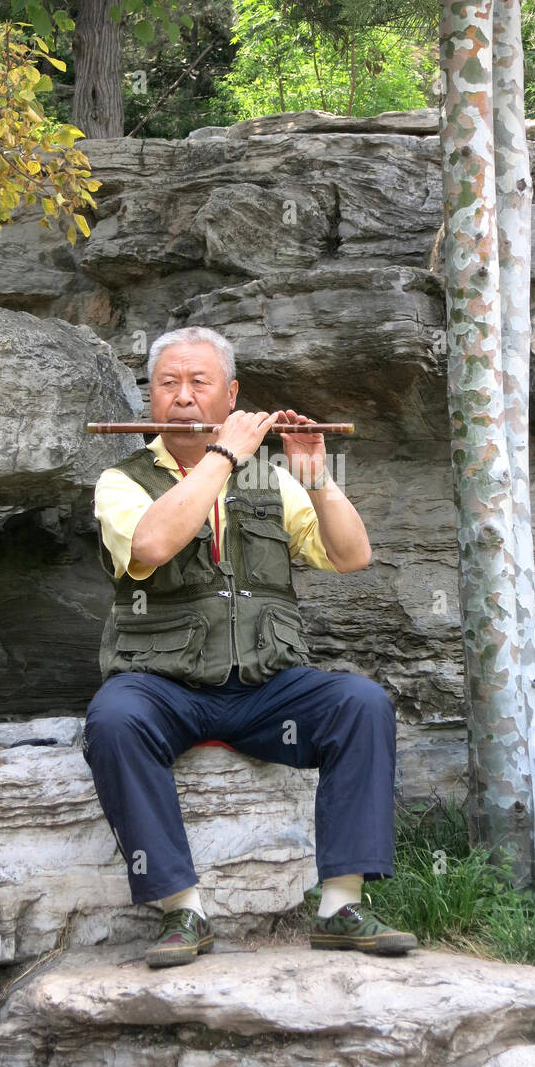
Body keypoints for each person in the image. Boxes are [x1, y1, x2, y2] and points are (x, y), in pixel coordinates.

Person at [83, 325, 418, 967]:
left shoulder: (273, 481)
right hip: (165, 689)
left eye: (199, 383)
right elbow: (152, 546)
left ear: (231, 394)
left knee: (360, 703)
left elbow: (353, 555)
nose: (182, 397)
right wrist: (225, 456)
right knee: (114, 718)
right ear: (149, 398)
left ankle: (340, 906)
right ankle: (182, 910)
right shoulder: (120, 482)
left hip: (265, 693)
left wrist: (315, 474)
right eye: (167, 384)